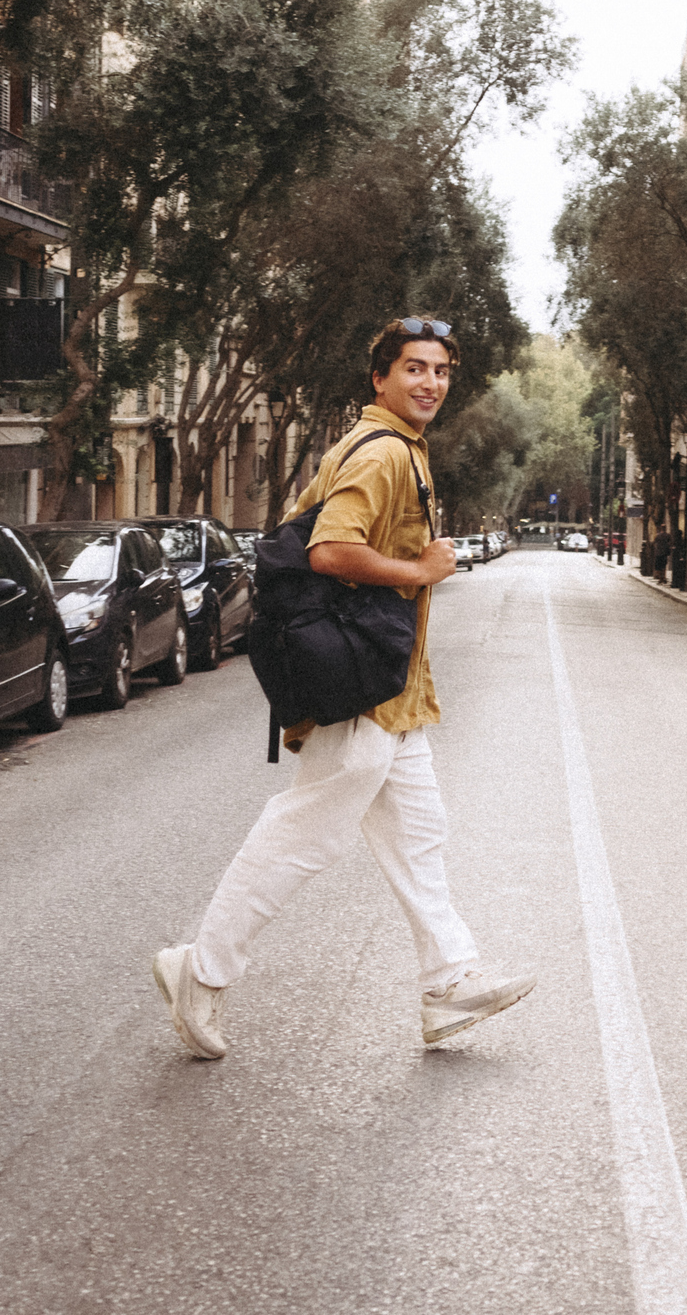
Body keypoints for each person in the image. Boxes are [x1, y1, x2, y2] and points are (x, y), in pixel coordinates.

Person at [153, 316, 534, 1060]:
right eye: (414, 369)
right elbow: (332, 551)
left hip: (392, 690)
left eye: (441, 371)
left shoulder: (399, 447)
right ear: (380, 378)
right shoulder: (384, 453)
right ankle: (200, 971)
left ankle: (448, 982)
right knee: (303, 834)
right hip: (360, 684)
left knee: (419, 839)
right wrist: (421, 572)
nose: (430, 383)